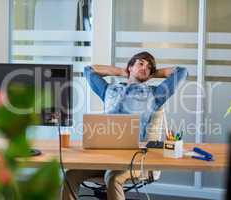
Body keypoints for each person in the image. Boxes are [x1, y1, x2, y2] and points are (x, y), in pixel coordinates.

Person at [62, 51, 188, 200]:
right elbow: (88, 70)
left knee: (112, 177)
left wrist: (152, 74)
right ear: (130, 67)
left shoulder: (154, 95)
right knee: (70, 175)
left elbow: (182, 72)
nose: (145, 68)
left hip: (132, 158)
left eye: (149, 67)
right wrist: (122, 71)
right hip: (105, 155)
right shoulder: (108, 90)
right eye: (141, 63)